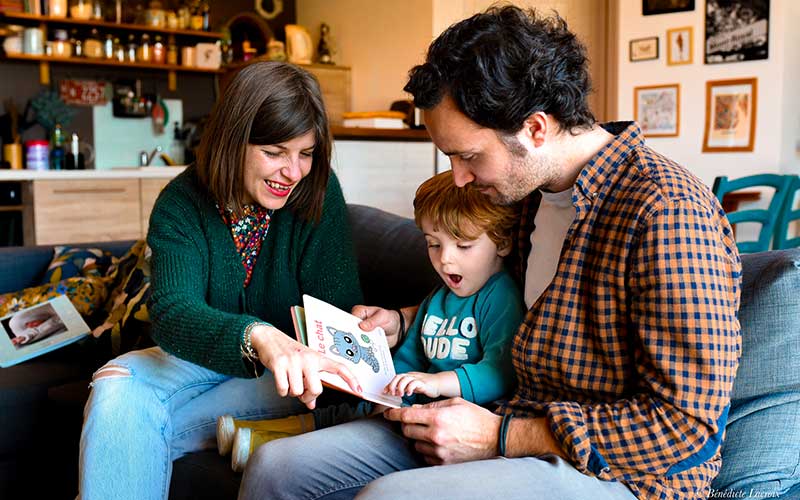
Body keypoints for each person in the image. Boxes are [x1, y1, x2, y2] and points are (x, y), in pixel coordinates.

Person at [238, 7, 741, 500]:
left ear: (536, 129)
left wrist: (500, 437)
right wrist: (403, 320)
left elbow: (684, 424)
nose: (458, 178)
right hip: (501, 418)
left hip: (616, 474)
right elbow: (493, 304)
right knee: (277, 466)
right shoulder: (523, 198)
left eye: (468, 155)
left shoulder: (668, 212)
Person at [77, 61, 364, 500]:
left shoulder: (319, 193)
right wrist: (257, 335)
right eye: (275, 152)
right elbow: (173, 315)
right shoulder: (182, 202)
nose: (294, 172)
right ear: (234, 140)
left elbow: (337, 313)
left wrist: (290, 349)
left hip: (291, 373)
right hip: (206, 356)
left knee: (129, 421)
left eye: (305, 153)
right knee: (116, 381)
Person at [217, 170, 526, 472]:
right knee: (348, 410)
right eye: (434, 243)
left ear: (501, 243)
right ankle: (257, 434)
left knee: (354, 420)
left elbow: (499, 372)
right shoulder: (440, 297)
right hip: (411, 407)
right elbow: (413, 353)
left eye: (463, 246)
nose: (445, 259)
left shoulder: (499, 297)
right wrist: (390, 389)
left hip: (450, 423)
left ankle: (262, 442)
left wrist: (433, 383)